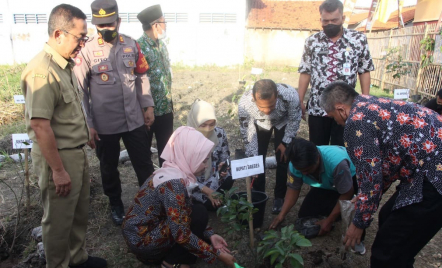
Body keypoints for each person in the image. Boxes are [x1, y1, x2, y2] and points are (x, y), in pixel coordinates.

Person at [320, 81, 442, 268]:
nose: (335, 122)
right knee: (388, 215)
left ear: (341, 109)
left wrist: (359, 223)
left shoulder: (356, 122)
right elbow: (385, 165)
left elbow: (371, 178)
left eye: (332, 116)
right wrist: (363, 199)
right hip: (424, 167)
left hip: (434, 175)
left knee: (388, 253)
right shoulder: (369, 103)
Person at [21, 4, 106, 268]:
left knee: (78, 212)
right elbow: (40, 126)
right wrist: (57, 171)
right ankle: (58, 264)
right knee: (58, 219)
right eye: (79, 37)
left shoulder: (64, 65)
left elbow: (66, 111)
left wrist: (86, 130)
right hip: (58, 157)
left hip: (75, 152)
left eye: (85, 38)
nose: (83, 43)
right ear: (59, 34)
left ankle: (77, 258)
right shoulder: (42, 71)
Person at [74, 0, 155, 225]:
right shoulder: (86, 50)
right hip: (104, 124)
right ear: (95, 24)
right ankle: (116, 205)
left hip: (134, 120)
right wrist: (88, 123)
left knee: (144, 163)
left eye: (110, 24)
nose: (105, 29)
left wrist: (147, 106)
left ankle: (150, 201)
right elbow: (80, 91)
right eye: (101, 25)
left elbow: (141, 76)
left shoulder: (132, 45)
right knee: (108, 166)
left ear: (118, 21)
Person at [122, 127, 236, 268]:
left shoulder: (173, 170)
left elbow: (184, 210)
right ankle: (170, 262)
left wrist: (210, 235)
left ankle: (174, 257)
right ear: (189, 155)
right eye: (203, 160)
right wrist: (216, 255)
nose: (206, 166)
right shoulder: (174, 184)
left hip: (145, 232)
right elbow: (181, 234)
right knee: (198, 213)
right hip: (144, 242)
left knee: (196, 212)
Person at [298, 0, 374, 146]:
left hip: (346, 107)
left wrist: (365, 99)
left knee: (342, 148)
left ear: (343, 19)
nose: (330, 23)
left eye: (334, 20)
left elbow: (364, 70)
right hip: (318, 107)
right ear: (320, 19)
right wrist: (300, 100)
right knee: (318, 149)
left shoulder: (358, 40)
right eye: (326, 21)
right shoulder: (312, 42)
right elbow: (305, 71)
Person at [269, 138, 358, 238]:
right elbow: (293, 189)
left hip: (350, 180)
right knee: (305, 214)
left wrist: (329, 220)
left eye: (307, 170)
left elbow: (348, 192)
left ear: (317, 159)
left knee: (342, 209)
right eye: (301, 170)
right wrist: (281, 215)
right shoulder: (295, 164)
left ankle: (351, 205)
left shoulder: (337, 163)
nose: (304, 174)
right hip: (327, 185)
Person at [238, 79, 301, 214]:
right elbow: (248, 133)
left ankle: (279, 197)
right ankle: (259, 193)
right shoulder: (244, 104)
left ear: (277, 94)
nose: (267, 111)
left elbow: (294, 119)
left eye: (271, 106)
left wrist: (285, 142)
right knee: (258, 159)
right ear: (253, 98)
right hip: (259, 123)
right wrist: (253, 158)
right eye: (261, 107)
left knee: (283, 159)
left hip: (282, 122)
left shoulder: (290, 95)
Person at [136, 5, 173, 167]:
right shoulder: (139, 47)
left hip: (165, 109)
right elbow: (137, 80)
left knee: (167, 152)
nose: (166, 25)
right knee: (143, 153)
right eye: (164, 22)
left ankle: (166, 186)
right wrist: (145, 108)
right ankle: (148, 187)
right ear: (155, 24)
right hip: (148, 112)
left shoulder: (162, 46)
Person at [186, 99, 233, 211]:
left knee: (230, 175)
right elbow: (183, 175)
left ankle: (213, 199)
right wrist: (207, 191)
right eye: (203, 125)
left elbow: (225, 157)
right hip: (194, 184)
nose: (208, 129)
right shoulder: (185, 139)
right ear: (194, 122)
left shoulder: (219, 134)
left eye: (211, 124)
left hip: (213, 177)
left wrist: (223, 167)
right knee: (204, 207)